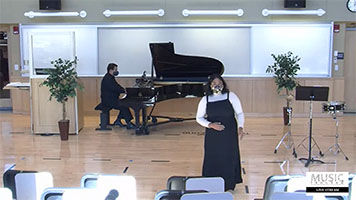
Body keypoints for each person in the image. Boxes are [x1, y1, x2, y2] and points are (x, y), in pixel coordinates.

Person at [196, 74, 246, 191]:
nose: (217, 85)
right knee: (213, 156)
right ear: (210, 85)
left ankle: (229, 184)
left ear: (223, 84)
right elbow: (199, 118)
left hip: (229, 133)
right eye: (214, 83)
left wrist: (241, 126)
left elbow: (239, 113)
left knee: (229, 156)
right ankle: (211, 183)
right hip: (213, 134)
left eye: (219, 82)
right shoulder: (205, 100)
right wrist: (210, 125)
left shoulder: (231, 96)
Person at [100, 63, 135, 129]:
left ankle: (118, 120)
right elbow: (115, 88)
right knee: (124, 105)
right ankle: (129, 123)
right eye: (115, 69)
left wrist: (124, 90)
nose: (117, 71)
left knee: (123, 104)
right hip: (108, 101)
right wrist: (124, 90)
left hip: (111, 99)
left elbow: (117, 86)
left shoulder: (110, 77)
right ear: (111, 70)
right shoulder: (107, 79)